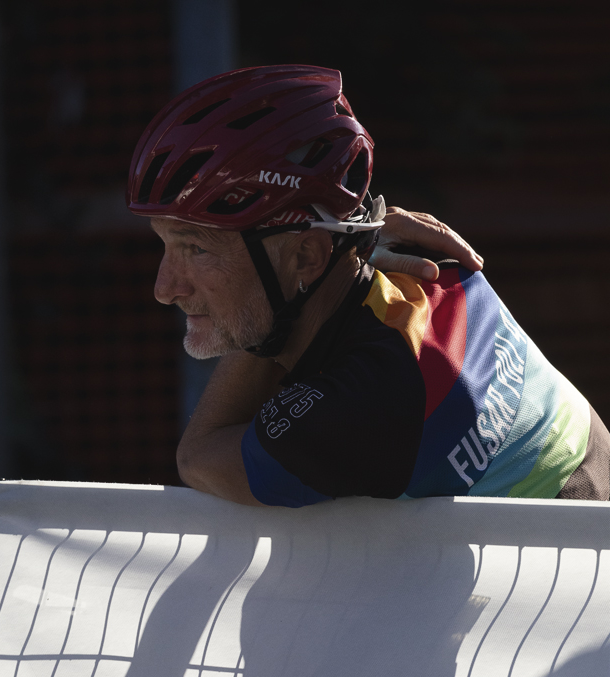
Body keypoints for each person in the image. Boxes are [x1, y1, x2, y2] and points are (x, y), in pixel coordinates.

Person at [127, 64, 610, 505]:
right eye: (165, 245)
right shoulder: (418, 265)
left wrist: (270, 318)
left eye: (196, 249)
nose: (165, 289)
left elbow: (199, 457)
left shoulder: (358, 407)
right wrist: (345, 245)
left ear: (307, 256)